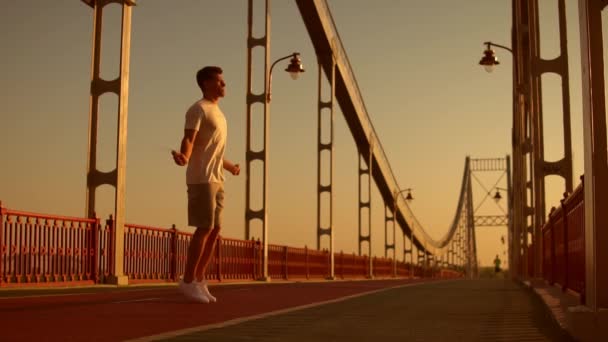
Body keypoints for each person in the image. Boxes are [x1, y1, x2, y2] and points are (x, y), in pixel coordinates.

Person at [172, 66, 240, 303]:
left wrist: (230, 167)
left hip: (217, 177)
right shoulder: (198, 109)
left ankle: (200, 279)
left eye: (223, 81)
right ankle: (188, 280)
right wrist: (185, 156)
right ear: (205, 84)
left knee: (215, 230)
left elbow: (214, 151)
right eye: (219, 82)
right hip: (202, 178)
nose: (224, 85)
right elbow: (190, 138)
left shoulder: (219, 113)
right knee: (204, 228)